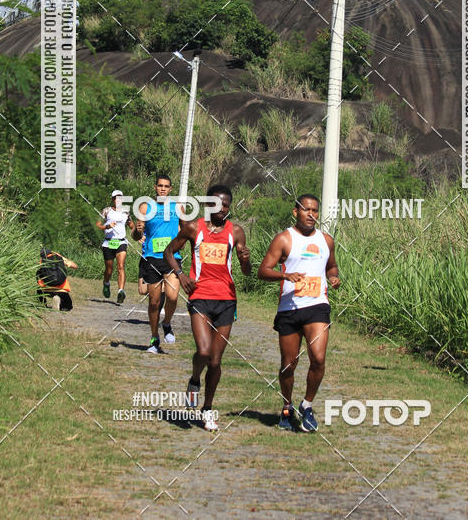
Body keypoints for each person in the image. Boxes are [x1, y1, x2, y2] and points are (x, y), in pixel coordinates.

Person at [164, 184, 251, 431]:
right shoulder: (194, 228)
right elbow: (169, 251)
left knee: (215, 360)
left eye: (226, 205)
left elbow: (246, 271)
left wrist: (246, 260)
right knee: (203, 351)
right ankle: (194, 381)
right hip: (200, 295)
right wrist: (180, 276)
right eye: (216, 203)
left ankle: (208, 409)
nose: (221, 209)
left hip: (226, 300)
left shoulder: (236, 231)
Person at [257, 194, 340, 432]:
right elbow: (263, 271)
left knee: (319, 358)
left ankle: (307, 404)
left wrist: (333, 277)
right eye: (306, 210)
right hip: (290, 308)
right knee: (289, 364)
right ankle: (286, 406)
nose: (311, 214)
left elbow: (331, 265)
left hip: (318, 306)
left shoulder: (326, 240)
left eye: (315, 210)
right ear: (296, 212)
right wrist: (285, 275)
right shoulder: (284, 239)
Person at [133, 173, 182, 353]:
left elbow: (187, 230)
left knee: (172, 296)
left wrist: (183, 242)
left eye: (166, 186)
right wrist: (138, 231)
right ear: (155, 187)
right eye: (160, 185)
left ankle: (166, 322)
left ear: (170, 189)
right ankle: (154, 338)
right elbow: (137, 235)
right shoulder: (146, 207)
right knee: (154, 303)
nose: (163, 189)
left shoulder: (178, 208)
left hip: (171, 258)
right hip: (152, 258)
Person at [96, 189, 134, 304]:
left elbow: (131, 225)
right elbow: (98, 224)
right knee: (109, 269)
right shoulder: (106, 211)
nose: (118, 200)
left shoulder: (126, 212)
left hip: (121, 242)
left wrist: (138, 232)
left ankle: (120, 291)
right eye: (116, 198)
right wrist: (107, 227)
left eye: (120, 198)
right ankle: (106, 283)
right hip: (108, 243)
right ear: (112, 199)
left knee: (121, 266)